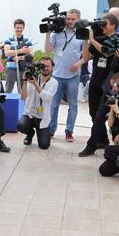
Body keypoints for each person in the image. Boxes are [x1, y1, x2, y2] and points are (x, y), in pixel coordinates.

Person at [78, 13, 119, 157]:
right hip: (95, 80)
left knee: (100, 115)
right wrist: (86, 40)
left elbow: (107, 52)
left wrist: (91, 39)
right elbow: (85, 57)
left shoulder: (118, 39)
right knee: (92, 113)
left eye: (105, 23)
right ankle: (102, 139)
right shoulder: (97, 39)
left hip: (108, 83)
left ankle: (92, 145)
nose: (103, 26)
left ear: (113, 25)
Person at [44, 9, 88, 142]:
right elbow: (48, 50)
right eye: (68, 18)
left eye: (72, 19)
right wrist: (47, 32)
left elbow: (86, 56)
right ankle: (51, 130)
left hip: (73, 76)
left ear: (78, 20)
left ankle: (69, 131)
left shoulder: (81, 34)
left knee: (73, 105)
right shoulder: (57, 33)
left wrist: (78, 63)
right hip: (57, 75)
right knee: (54, 104)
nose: (69, 21)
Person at [17, 57, 58, 149]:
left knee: (44, 145)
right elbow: (23, 97)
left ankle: (41, 134)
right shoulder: (32, 77)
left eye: (48, 66)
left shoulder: (54, 83)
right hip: (30, 114)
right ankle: (30, 133)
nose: (45, 68)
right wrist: (25, 81)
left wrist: (36, 84)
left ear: (52, 68)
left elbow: (46, 97)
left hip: (42, 117)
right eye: (43, 66)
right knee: (21, 125)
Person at [4, 18, 33, 93]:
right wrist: (21, 51)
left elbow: (31, 54)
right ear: (14, 28)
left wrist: (19, 57)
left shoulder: (28, 40)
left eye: (21, 28)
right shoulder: (8, 39)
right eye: (17, 27)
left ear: (23, 28)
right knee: (8, 90)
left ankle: (22, 105)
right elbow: (6, 53)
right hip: (11, 68)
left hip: (23, 68)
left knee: (22, 91)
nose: (19, 29)